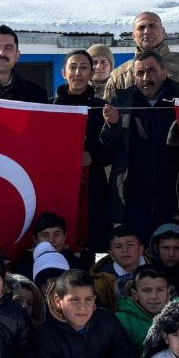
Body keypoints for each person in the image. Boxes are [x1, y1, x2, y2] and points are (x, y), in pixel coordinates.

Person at [102, 50, 179, 243]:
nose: (146, 77)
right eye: (140, 73)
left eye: (152, 71)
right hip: (132, 198)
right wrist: (112, 125)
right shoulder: (121, 101)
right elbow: (106, 151)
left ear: (164, 73)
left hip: (174, 196)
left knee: (172, 252)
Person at [52, 50, 111, 254]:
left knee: (94, 239)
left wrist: (93, 155)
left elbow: (109, 152)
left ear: (91, 72)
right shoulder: (49, 107)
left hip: (93, 185)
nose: (78, 73)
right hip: (58, 183)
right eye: (73, 67)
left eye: (84, 67)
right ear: (63, 72)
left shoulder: (101, 108)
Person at [101, 12, 179, 102]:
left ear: (163, 32)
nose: (147, 31)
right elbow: (107, 114)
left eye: (152, 26)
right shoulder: (119, 76)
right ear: (134, 36)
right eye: (141, 28)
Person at [116, 268, 174, 350]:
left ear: (168, 293)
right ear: (134, 294)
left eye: (160, 290)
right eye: (146, 290)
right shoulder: (123, 320)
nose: (154, 297)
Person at [91, 226, 148, 296]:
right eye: (118, 246)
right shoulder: (101, 281)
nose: (125, 250)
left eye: (130, 245)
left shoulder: (157, 271)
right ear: (112, 255)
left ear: (141, 250)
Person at [147, 223, 179, 292]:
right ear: (156, 248)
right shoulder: (146, 274)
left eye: (177, 248)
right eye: (166, 248)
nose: (171, 254)